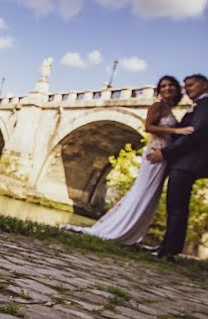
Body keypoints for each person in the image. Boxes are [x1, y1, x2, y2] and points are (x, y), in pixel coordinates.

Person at [60, 76, 192, 244]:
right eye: (163, 86)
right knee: (142, 192)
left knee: (150, 194)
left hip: (162, 156)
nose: (167, 88)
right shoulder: (157, 105)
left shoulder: (168, 108)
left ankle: (132, 232)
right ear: (159, 90)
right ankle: (120, 230)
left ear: (176, 89)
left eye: (171, 85)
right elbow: (148, 127)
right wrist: (177, 131)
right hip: (154, 154)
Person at [146, 74, 208, 260]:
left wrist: (164, 153)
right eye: (186, 86)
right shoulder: (201, 107)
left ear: (204, 85)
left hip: (188, 164)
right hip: (184, 163)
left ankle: (169, 250)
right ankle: (168, 247)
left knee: (177, 207)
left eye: (191, 85)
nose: (187, 89)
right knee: (175, 206)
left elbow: (194, 136)